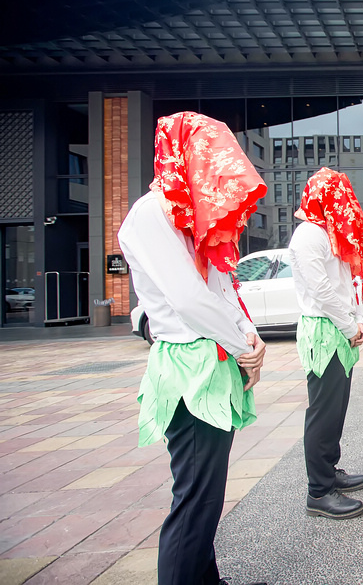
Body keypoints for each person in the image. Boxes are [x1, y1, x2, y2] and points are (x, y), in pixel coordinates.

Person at [118, 111, 268, 585]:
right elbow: (188, 300)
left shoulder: (193, 216)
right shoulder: (152, 213)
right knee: (195, 498)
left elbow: (223, 290)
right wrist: (240, 342)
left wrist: (251, 339)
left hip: (214, 360)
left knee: (206, 494)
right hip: (190, 367)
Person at [289, 167, 363, 519]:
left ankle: (330, 472)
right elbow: (322, 292)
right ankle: (319, 491)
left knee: (336, 409)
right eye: (338, 194)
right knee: (323, 411)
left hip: (339, 328)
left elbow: (348, 282)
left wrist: (357, 319)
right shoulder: (308, 235)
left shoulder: (328, 233)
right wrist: (349, 325)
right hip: (323, 330)